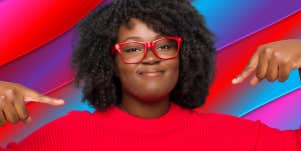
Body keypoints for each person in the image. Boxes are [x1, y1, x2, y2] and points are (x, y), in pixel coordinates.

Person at [0, 0, 300, 150]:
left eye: (164, 45)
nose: (151, 56)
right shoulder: (65, 138)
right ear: (111, 60)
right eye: (132, 49)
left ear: (184, 55)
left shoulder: (231, 138)